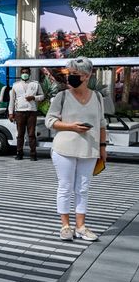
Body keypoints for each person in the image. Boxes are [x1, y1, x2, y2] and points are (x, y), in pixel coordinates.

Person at [45, 57, 107, 242]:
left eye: (75, 74)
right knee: (65, 187)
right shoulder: (62, 96)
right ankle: (65, 226)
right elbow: (50, 121)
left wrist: (103, 147)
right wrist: (71, 127)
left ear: (87, 76)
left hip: (89, 150)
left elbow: (102, 123)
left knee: (83, 188)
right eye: (69, 74)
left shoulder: (97, 97)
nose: (70, 77)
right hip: (64, 149)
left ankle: (81, 227)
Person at [8, 67, 44, 161]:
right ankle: (19, 153)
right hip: (19, 112)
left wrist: (34, 97)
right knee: (20, 134)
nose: (25, 74)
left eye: (26, 72)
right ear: (20, 74)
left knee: (31, 134)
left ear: (29, 73)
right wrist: (11, 113)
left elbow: (42, 96)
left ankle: (33, 154)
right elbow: (11, 100)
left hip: (31, 111)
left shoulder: (35, 84)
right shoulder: (15, 85)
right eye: (23, 72)